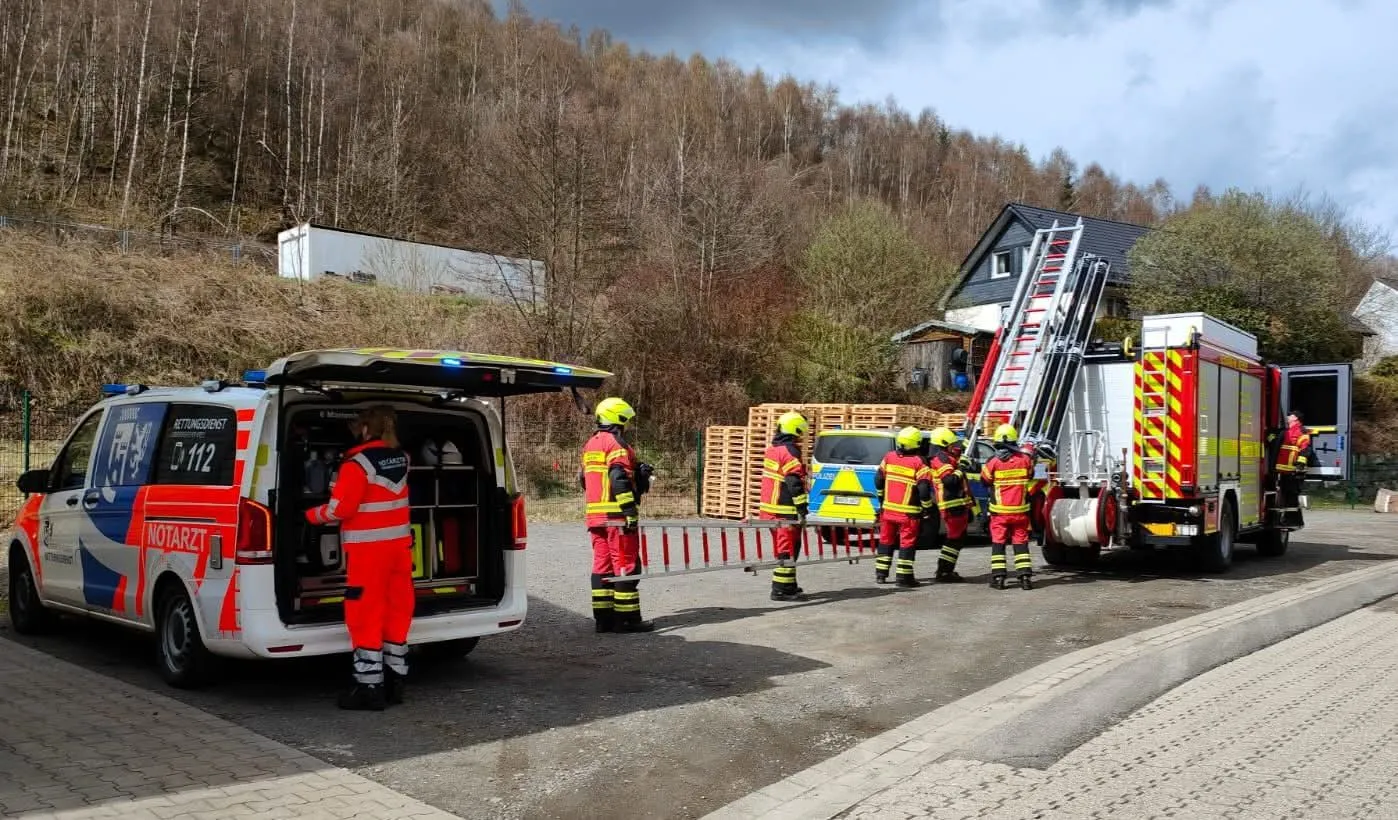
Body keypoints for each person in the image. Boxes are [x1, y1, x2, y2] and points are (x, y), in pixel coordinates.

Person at [305, 405, 415, 711]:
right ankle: (396, 681)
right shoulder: (402, 459)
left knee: (365, 613)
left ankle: (369, 688)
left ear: (366, 429)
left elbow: (340, 510)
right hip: (399, 550)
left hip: (368, 553)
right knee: (397, 610)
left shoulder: (355, 465)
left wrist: (310, 515)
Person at [581, 397, 654, 634]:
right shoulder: (616, 445)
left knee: (602, 567)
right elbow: (618, 478)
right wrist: (630, 511)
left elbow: (585, 479)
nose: (628, 425)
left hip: (595, 516)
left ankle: (604, 619)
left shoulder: (591, 444)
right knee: (626, 566)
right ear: (619, 418)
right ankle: (628, 619)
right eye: (627, 420)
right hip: (616, 518)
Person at [873, 426, 936, 587]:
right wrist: (927, 508)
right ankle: (904, 577)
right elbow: (923, 490)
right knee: (906, 543)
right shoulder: (919, 462)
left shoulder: (889, 457)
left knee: (885, 540)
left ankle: (881, 574)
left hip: (888, 510)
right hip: (909, 513)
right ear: (917, 443)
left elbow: (878, 480)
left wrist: (881, 498)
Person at [759, 411, 811, 601]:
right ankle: (780, 589)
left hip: (771, 509)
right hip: (784, 511)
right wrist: (802, 507)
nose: (801, 437)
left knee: (789, 547)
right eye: (800, 433)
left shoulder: (773, 449)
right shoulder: (790, 451)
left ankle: (789, 585)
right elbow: (793, 482)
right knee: (787, 549)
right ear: (796, 430)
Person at [981, 423, 1035, 591]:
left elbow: (984, 481)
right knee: (1021, 543)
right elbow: (1031, 474)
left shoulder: (993, 462)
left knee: (998, 543)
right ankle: (1025, 578)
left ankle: (998, 578)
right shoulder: (1025, 460)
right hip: (1020, 511)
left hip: (999, 512)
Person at [927, 427, 972, 582]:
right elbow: (950, 481)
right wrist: (961, 469)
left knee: (957, 538)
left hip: (958, 504)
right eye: (952, 445)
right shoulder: (940, 459)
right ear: (944, 444)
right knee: (954, 539)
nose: (955, 447)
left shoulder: (946, 457)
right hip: (951, 504)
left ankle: (945, 570)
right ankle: (944, 571)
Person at [1274, 409, 1312, 527]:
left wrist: (1300, 465)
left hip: (1292, 470)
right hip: (1283, 469)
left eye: (1290, 415)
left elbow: (1305, 449)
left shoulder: (1301, 431)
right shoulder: (1287, 431)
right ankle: (1288, 520)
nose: (1288, 416)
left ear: (1296, 418)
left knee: (1291, 496)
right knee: (1285, 495)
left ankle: (1293, 521)